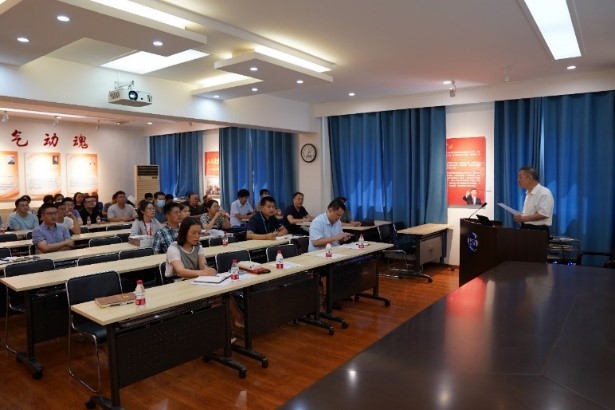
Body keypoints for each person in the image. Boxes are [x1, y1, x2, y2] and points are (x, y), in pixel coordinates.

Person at [513, 166, 554, 233]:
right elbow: (530, 213)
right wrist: (520, 217)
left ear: (529, 178)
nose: (518, 180)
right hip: (525, 228)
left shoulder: (544, 192)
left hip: (538, 231)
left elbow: (543, 214)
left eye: (520, 177)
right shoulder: (528, 193)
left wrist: (523, 218)